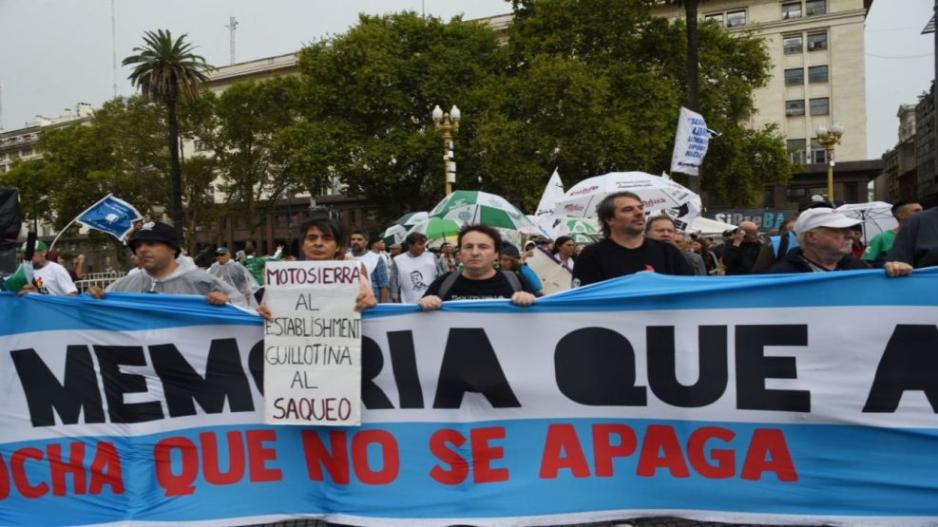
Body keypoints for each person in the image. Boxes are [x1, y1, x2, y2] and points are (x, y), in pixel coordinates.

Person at [95, 222, 241, 306]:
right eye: (138, 246)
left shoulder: (203, 282)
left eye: (151, 244)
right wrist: (94, 299)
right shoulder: (122, 286)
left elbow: (246, 312)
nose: (142, 250)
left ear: (172, 249)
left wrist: (227, 304)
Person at [258, 219, 376, 318]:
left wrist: (367, 298)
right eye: (312, 238)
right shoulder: (281, 278)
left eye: (327, 238)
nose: (318, 243)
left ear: (338, 247)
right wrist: (264, 310)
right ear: (302, 245)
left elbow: (368, 300)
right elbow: (265, 308)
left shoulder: (354, 277)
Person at [573, 191, 693, 287]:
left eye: (640, 208)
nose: (639, 213)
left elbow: (690, 288)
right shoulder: (592, 255)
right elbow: (584, 301)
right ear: (610, 220)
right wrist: (633, 285)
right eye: (628, 209)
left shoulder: (668, 251)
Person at [418, 225, 536, 310]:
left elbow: (541, 316)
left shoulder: (515, 282)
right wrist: (424, 304)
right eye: (468, 247)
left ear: (496, 253)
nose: (475, 252)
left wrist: (531, 300)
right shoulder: (443, 283)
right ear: (459, 253)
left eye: (483, 247)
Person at [768, 208, 911, 277]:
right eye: (839, 229)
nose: (850, 235)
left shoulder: (859, 267)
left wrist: (894, 271)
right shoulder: (782, 275)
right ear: (811, 237)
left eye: (849, 229)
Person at [863, 200, 923, 266]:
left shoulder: (928, 236)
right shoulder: (881, 238)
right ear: (901, 215)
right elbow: (865, 263)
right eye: (916, 211)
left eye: (922, 210)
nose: (923, 213)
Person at [393, 232, 438, 303]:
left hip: (431, 302)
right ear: (410, 245)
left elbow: (440, 277)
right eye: (420, 244)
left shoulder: (431, 257)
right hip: (409, 305)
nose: (423, 247)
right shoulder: (398, 260)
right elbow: (394, 283)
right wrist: (396, 301)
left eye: (424, 244)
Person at [888, 204, 938, 268]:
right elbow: (896, 265)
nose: (921, 211)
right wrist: (896, 266)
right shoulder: (919, 221)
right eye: (916, 210)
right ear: (901, 215)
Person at [348, 229, 389, 303]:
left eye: (359, 239)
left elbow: (384, 285)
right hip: (351, 303)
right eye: (353, 239)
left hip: (372, 303)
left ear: (366, 242)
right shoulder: (345, 258)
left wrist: (383, 306)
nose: (355, 242)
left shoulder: (376, 258)